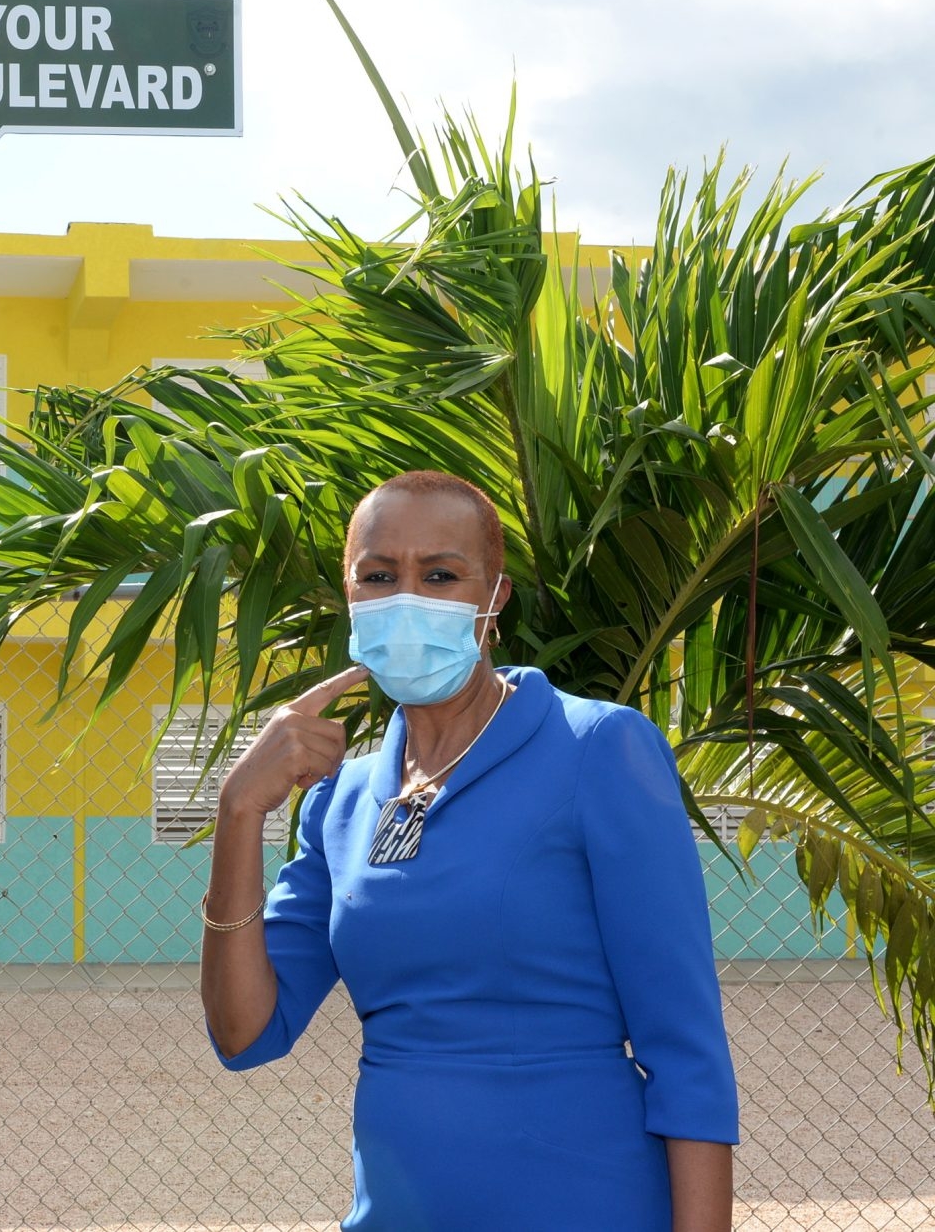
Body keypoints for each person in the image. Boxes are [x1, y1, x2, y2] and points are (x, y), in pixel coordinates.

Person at [201, 470, 739, 1232]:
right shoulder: (341, 797)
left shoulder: (597, 749)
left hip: (587, 1206)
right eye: (378, 575)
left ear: (495, 598)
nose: (406, 597)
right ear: (350, 595)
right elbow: (245, 1033)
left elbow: (686, 1048)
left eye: (440, 575)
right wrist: (238, 810)